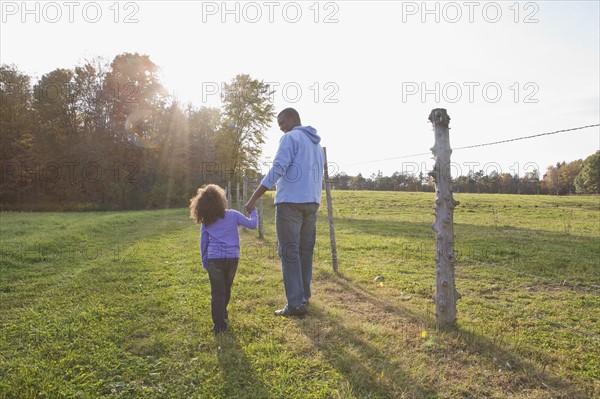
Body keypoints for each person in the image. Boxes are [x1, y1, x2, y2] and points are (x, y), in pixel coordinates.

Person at [245, 108, 324, 317]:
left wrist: (254, 197)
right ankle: (303, 296)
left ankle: (296, 304)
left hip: (290, 204)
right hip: (312, 203)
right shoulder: (315, 143)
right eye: (278, 124)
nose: (281, 127)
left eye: (282, 122)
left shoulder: (291, 138)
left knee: (289, 252)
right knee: (304, 252)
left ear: (293, 118)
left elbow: (278, 168)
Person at [189, 184, 258, 333]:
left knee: (217, 292)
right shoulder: (233, 215)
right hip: (232, 259)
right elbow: (253, 225)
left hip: (214, 260)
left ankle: (219, 324)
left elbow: (203, 243)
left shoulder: (206, 221)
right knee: (226, 289)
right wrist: (253, 210)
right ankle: (222, 313)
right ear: (221, 200)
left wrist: (204, 260)